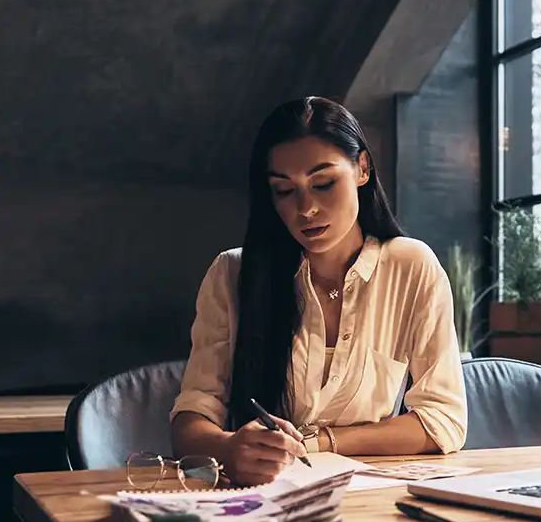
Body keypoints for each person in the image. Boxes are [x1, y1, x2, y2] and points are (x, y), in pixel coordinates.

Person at [170, 97, 467, 486]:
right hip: (264, 500)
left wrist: (321, 442)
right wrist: (228, 448)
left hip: (370, 499)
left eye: (323, 183)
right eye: (284, 191)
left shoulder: (411, 267)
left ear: (362, 168)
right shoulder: (233, 273)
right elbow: (190, 422)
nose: (306, 208)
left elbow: (442, 420)